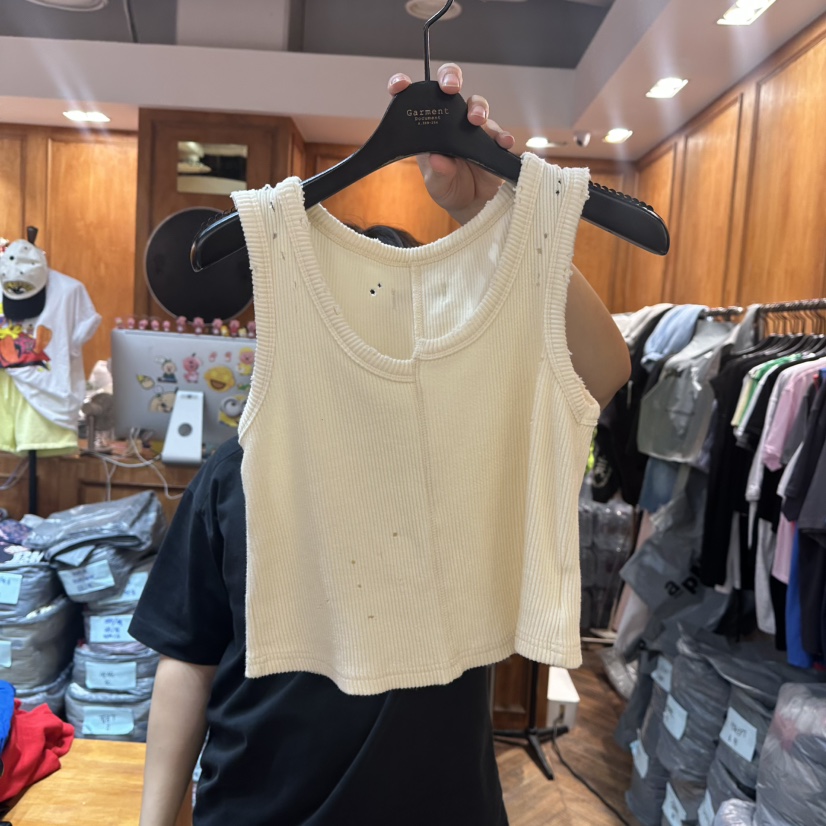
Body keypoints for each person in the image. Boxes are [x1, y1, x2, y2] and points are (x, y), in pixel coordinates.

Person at [130, 63, 631, 826]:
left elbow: (602, 370)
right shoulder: (238, 472)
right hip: (258, 806)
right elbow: (188, 658)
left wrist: (495, 209)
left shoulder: (471, 439)